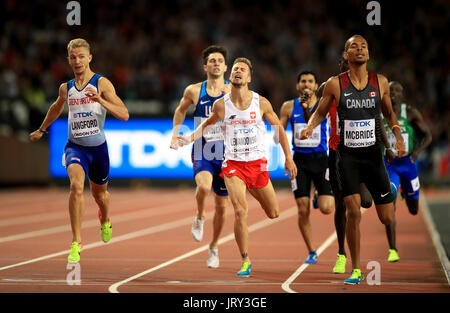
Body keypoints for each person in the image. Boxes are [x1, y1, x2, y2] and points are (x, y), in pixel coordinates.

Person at [300, 35, 405, 285]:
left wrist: (397, 138)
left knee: (387, 218)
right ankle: (356, 269)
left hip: (372, 156)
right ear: (346, 55)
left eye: (364, 46)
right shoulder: (335, 85)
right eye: (353, 47)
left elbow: (389, 114)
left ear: (368, 54)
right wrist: (310, 127)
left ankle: (388, 188)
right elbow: (321, 111)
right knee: (353, 211)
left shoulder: (380, 82)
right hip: (346, 157)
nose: (360, 49)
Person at [178, 57, 297, 277]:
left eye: (242, 69)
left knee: (274, 213)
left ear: (249, 77)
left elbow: (279, 128)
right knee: (240, 211)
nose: (238, 71)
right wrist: (191, 137)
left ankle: (252, 188)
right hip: (233, 166)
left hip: (257, 165)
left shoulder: (261, 103)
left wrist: (288, 158)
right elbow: (208, 123)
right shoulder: (222, 104)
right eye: (235, 69)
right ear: (231, 76)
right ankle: (245, 259)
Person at [29, 38, 129, 263]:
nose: (77, 61)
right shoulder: (66, 87)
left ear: (89, 58)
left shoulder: (102, 83)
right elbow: (56, 108)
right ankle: (76, 242)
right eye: (73, 57)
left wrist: (101, 101)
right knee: (75, 187)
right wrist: (42, 130)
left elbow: (124, 114)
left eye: (81, 56)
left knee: (100, 195)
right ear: (68, 60)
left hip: (98, 150)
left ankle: (105, 219)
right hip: (75, 147)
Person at [310, 56, 374, 274]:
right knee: (341, 206)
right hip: (337, 154)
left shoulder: (366, 90)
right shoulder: (331, 87)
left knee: (365, 202)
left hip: (362, 151)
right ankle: (341, 253)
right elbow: (317, 107)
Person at [170, 45, 230, 268]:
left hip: (226, 155)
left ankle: (213, 247)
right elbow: (180, 110)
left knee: (223, 207)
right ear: (205, 66)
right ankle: (200, 215)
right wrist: (175, 136)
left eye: (219, 61)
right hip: (202, 151)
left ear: (225, 66)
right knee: (204, 187)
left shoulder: (232, 91)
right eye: (212, 60)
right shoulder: (194, 90)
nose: (216, 63)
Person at [277, 71, 334, 265]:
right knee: (302, 209)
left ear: (317, 84)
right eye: (303, 81)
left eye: (310, 81)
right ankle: (312, 250)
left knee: (327, 208)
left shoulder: (325, 103)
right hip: (299, 162)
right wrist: (279, 133)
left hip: (321, 161)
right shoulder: (287, 106)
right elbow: (278, 136)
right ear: (297, 86)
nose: (306, 84)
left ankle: (319, 195)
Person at [382, 81, 432, 262]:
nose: (394, 93)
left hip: (408, 164)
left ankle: (405, 189)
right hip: (389, 165)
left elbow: (428, 135)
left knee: (413, 209)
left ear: (402, 95)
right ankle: (392, 250)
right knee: (389, 205)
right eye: (390, 90)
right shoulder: (380, 113)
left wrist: (417, 151)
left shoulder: (410, 112)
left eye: (397, 91)